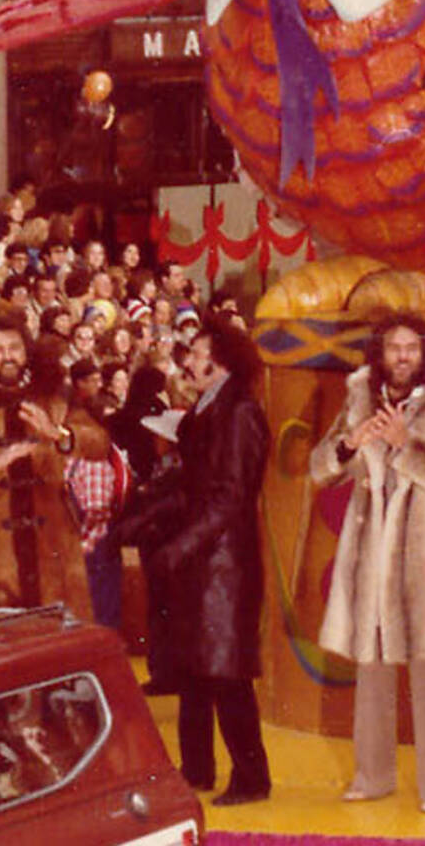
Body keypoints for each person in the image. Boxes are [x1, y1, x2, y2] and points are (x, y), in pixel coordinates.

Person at [307, 311, 425, 811]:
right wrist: (348, 444)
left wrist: (404, 447)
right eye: (392, 348)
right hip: (371, 552)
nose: (401, 357)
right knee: (371, 670)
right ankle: (371, 775)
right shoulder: (360, 397)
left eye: (411, 348)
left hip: (424, 557)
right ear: (379, 355)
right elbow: (320, 469)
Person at [116, 314, 272, 807]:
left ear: (223, 361)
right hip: (206, 562)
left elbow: (229, 497)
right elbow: (194, 487)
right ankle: (198, 770)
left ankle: (251, 777)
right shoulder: (210, 411)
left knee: (225, 676)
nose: (192, 361)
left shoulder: (240, 412)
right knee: (197, 674)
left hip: (223, 564)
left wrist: (179, 546)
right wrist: (148, 519)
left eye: (201, 353)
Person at [0, 310, 108, 616]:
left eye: (14, 348)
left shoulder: (55, 395)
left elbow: (99, 442)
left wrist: (59, 434)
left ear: (27, 350)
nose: (7, 357)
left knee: (59, 636)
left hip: (53, 535)